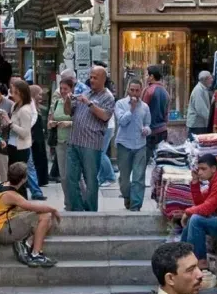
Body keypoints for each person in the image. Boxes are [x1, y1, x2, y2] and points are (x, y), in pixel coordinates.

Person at [63, 65, 115, 212]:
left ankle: (91, 212)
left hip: (91, 144)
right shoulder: (86, 92)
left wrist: (89, 103)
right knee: (71, 178)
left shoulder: (108, 97)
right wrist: (67, 100)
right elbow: (69, 112)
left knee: (91, 180)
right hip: (74, 141)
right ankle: (77, 209)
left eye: (95, 78)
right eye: (90, 77)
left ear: (103, 79)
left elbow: (105, 116)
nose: (91, 80)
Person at [0, 162, 61, 267]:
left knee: (46, 220)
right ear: (24, 179)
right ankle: (36, 255)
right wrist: (53, 209)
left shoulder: (5, 185)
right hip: (3, 232)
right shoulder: (11, 195)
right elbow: (32, 206)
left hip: (6, 225)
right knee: (45, 216)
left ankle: (26, 243)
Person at [181, 154, 217, 267]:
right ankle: (182, 256)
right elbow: (200, 203)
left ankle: (200, 262)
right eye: (199, 169)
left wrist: (187, 212)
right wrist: (195, 182)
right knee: (194, 217)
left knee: (196, 219)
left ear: (213, 169)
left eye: (203, 169)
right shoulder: (215, 181)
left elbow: (207, 208)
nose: (200, 172)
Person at [115, 79, 152, 212]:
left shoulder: (145, 107)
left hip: (140, 145)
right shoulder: (120, 104)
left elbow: (148, 124)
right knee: (124, 179)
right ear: (128, 90)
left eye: (137, 90)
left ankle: (136, 205)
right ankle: (127, 196)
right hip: (124, 144)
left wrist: (146, 130)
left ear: (141, 91)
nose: (135, 93)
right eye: (132, 90)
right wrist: (132, 109)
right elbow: (122, 122)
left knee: (138, 176)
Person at [5, 79, 42, 199]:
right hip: (12, 145)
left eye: (15, 93)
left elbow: (25, 133)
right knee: (13, 177)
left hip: (21, 148)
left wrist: (10, 123)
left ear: (21, 93)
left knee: (19, 179)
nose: (12, 95)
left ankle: (22, 201)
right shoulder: (15, 106)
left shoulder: (25, 110)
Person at [49, 77, 75, 185]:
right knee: (63, 175)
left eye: (66, 89)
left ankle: (81, 199)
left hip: (73, 142)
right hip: (59, 142)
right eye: (61, 88)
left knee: (74, 175)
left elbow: (82, 122)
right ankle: (67, 201)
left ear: (72, 89)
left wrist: (69, 123)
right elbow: (51, 119)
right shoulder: (57, 103)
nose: (63, 91)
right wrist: (51, 123)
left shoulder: (76, 102)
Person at [28, 85, 51, 199]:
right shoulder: (30, 106)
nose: (41, 96)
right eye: (39, 94)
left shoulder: (37, 107)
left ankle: (41, 180)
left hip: (39, 137)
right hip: (34, 138)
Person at [143, 65, 170, 160]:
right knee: (161, 161)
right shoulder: (165, 92)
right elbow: (166, 114)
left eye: (147, 75)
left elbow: (143, 111)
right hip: (162, 130)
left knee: (142, 162)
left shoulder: (149, 90)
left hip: (150, 132)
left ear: (152, 76)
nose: (146, 77)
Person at [186, 71, 215, 135]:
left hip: (200, 124)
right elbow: (201, 109)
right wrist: (211, 121)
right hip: (197, 125)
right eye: (210, 78)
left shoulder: (203, 89)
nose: (212, 80)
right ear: (205, 79)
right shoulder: (198, 90)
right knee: (195, 143)